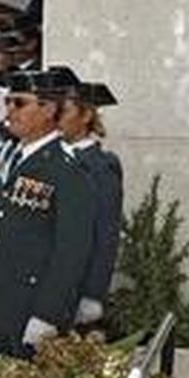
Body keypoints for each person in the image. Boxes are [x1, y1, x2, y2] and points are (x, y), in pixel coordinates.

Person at [0, 68, 96, 355]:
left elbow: (72, 251)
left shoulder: (66, 169)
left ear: (49, 109)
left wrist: (47, 313)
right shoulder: (7, 155)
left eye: (19, 103)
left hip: (27, 307)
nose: (9, 110)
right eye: (8, 102)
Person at [61, 81, 123, 327]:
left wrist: (93, 293)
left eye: (63, 111)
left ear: (86, 115)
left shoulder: (100, 166)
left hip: (73, 286)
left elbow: (105, 233)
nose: (55, 119)